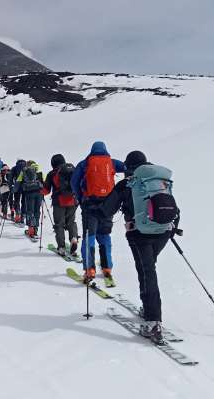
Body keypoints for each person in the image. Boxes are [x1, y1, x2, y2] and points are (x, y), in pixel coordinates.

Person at [101, 150, 180, 344]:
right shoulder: (159, 181)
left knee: (147, 271)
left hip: (139, 234)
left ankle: (153, 321)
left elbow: (107, 210)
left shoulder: (128, 183)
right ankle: (149, 308)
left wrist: (92, 209)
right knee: (147, 269)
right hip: (163, 232)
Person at [71, 141, 126, 285]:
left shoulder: (84, 163)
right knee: (104, 236)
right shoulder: (112, 162)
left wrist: (80, 198)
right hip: (107, 207)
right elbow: (127, 167)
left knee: (89, 237)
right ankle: (107, 267)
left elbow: (74, 182)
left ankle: (90, 269)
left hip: (89, 207)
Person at [43, 154, 79, 257]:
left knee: (59, 224)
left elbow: (46, 191)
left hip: (59, 202)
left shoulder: (52, 174)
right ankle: (74, 238)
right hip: (72, 201)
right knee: (71, 222)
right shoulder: (71, 170)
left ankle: (61, 247)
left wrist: (40, 188)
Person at [16, 160, 44, 238]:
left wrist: (14, 190)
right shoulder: (39, 172)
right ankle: (35, 229)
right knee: (37, 211)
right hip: (39, 194)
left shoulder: (24, 171)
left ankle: (31, 230)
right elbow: (44, 183)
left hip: (29, 194)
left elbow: (18, 182)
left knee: (30, 211)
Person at [10, 159, 27, 223]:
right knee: (24, 201)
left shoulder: (14, 168)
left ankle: (17, 215)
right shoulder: (27, 168)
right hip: (26, 187)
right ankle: (23, 216)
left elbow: (10, 178)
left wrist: (11, 187)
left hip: (17, 186)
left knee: (17, 200)